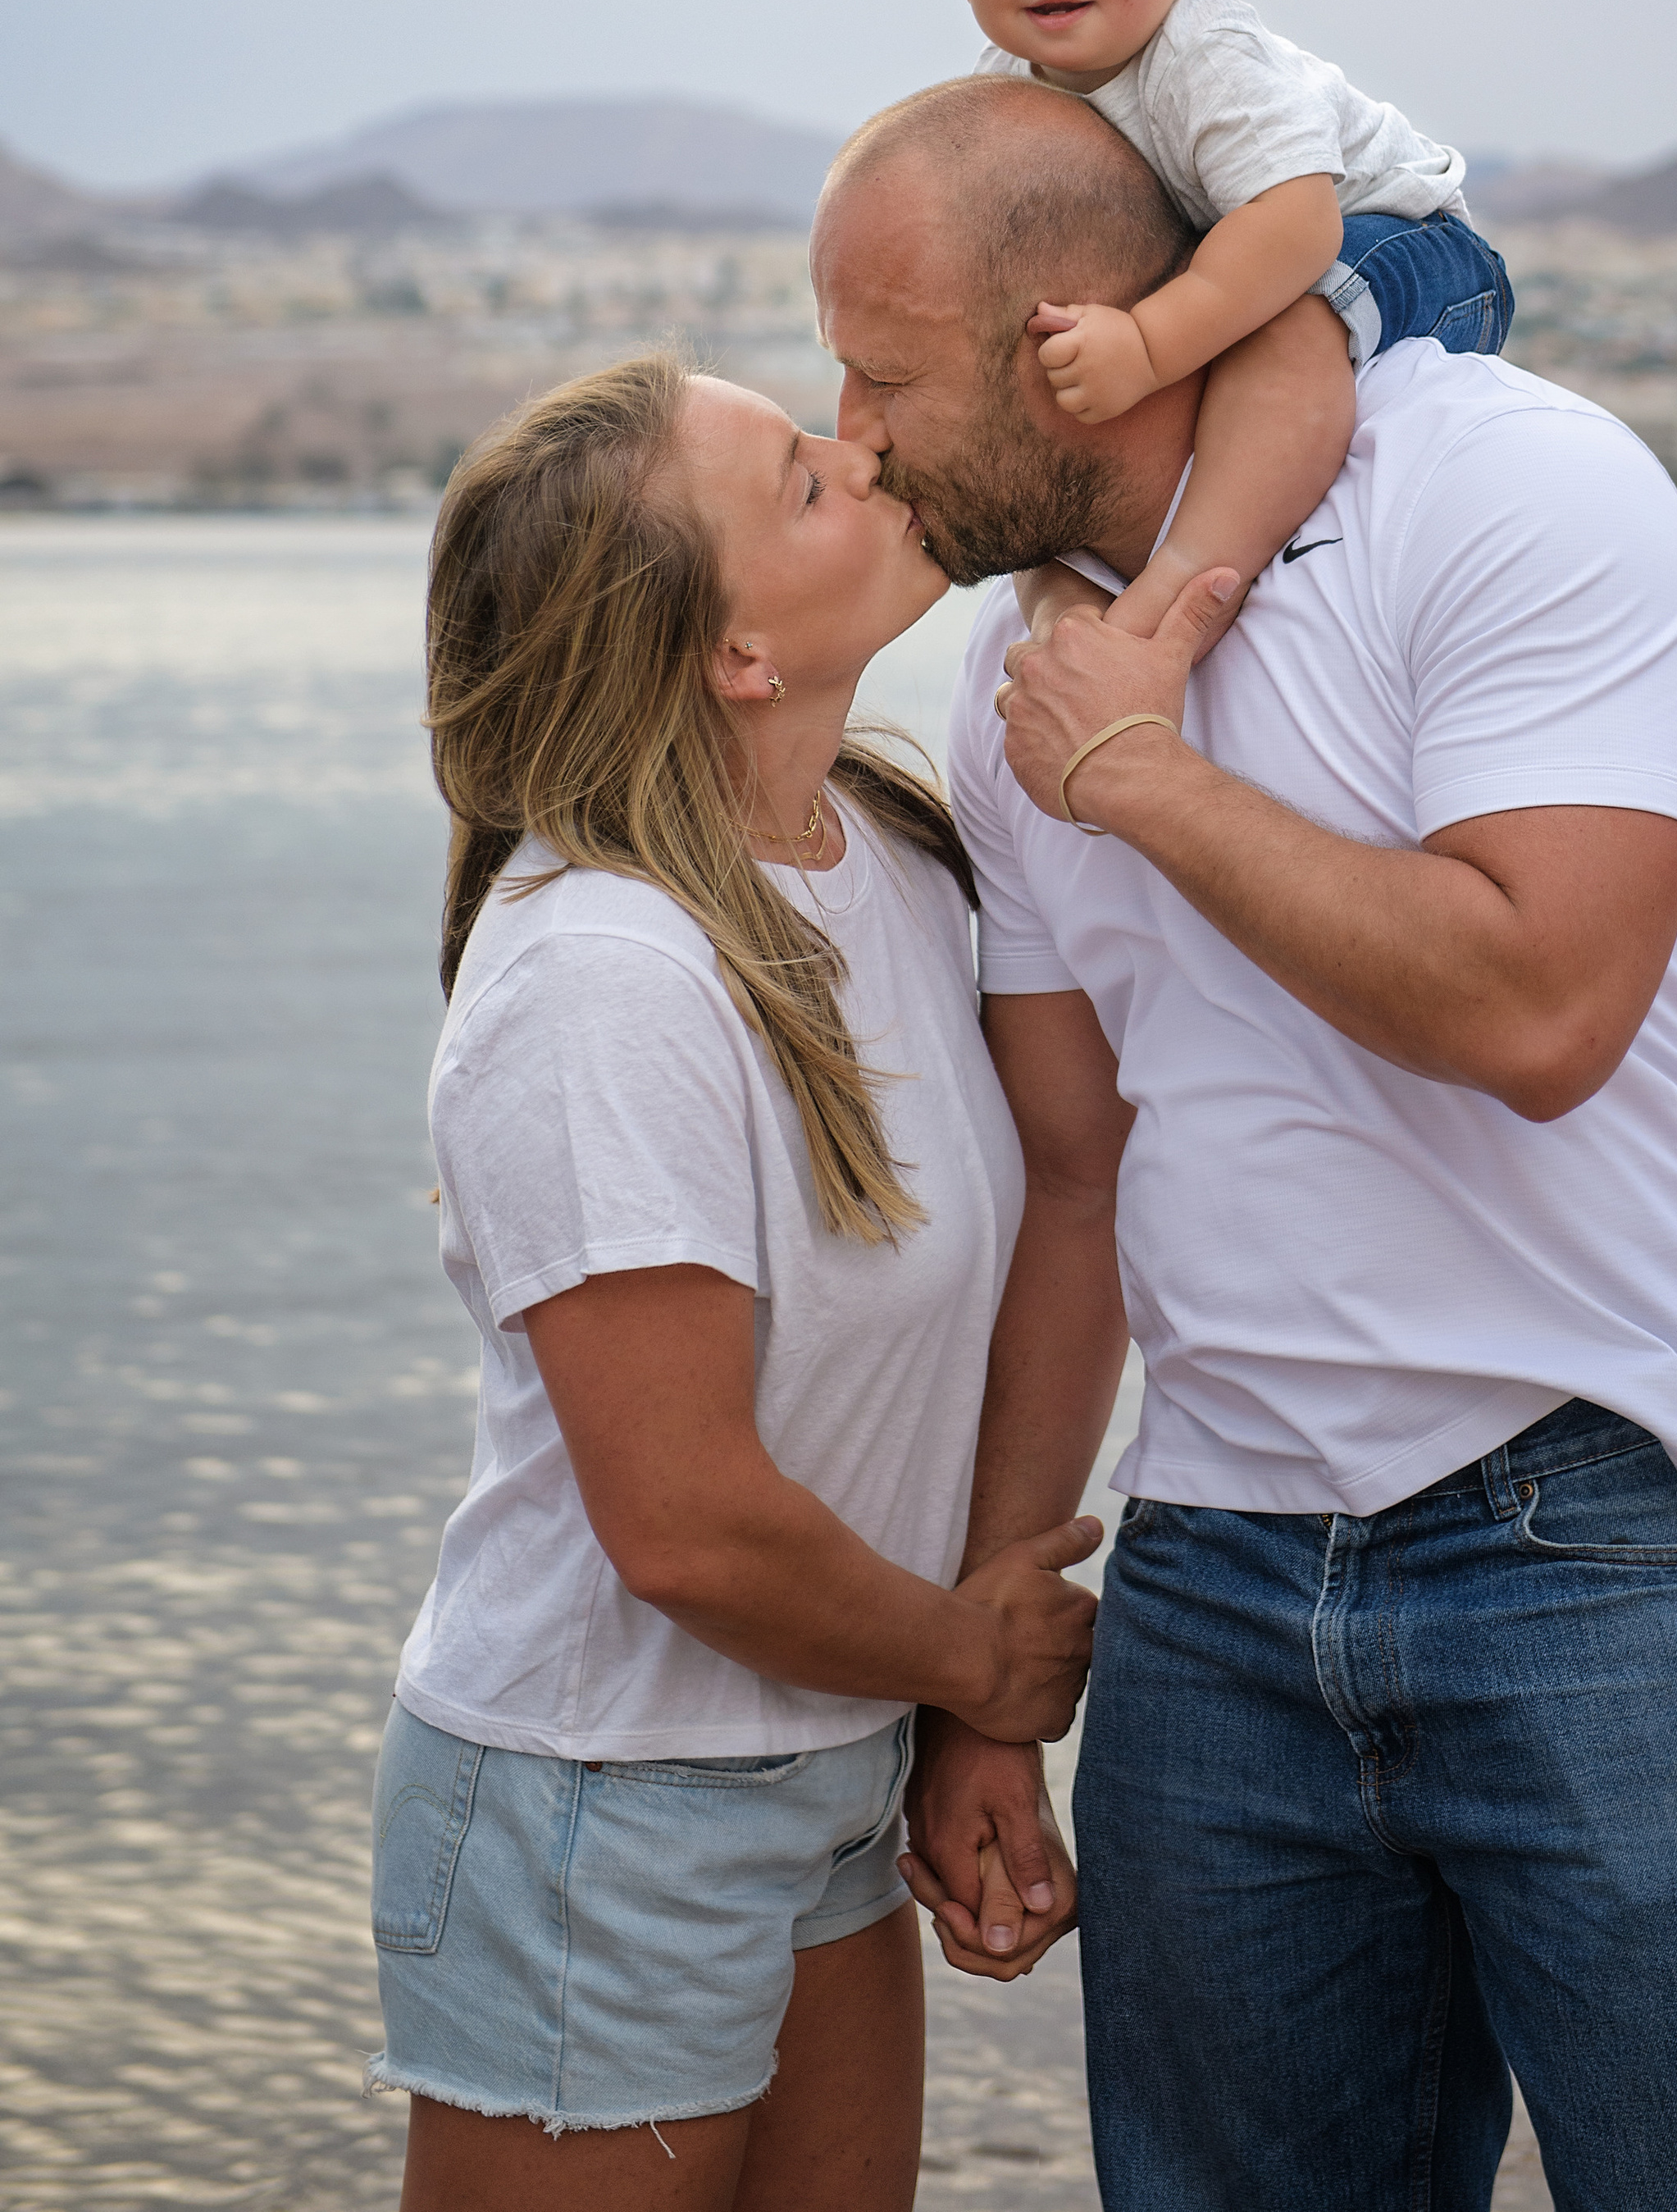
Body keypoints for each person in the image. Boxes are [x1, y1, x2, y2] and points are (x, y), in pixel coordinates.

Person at [810, 85, 1677, 2212]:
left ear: (1069, 336)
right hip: (1212, 1580)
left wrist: (1147, 777)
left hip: (1607, 1526)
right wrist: (986, 1679)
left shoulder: (1509, 494)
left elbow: (1540, 1013)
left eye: (882, 373)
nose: (851, 439)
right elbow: (1073, 1183)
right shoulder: (1003, 682)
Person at [366, 349, 1101, 2212]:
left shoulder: (900, 863)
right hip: (601, 1800)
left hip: (828, 1754)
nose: (861, 450)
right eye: (797, 482)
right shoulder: (604, 972)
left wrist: (952, 1718)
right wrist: (970, 1654)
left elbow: (1059, 1229)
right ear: (732, 654)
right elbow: (683, 1520)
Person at [932, 0, 1512, 644]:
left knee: (1288, 319)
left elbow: (1296, 225)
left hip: (1405, 241)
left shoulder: (1206, 58)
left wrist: (1152, 343)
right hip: (1229, 260)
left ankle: (1184, 595)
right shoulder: (1006, 98)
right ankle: (1061, 594)